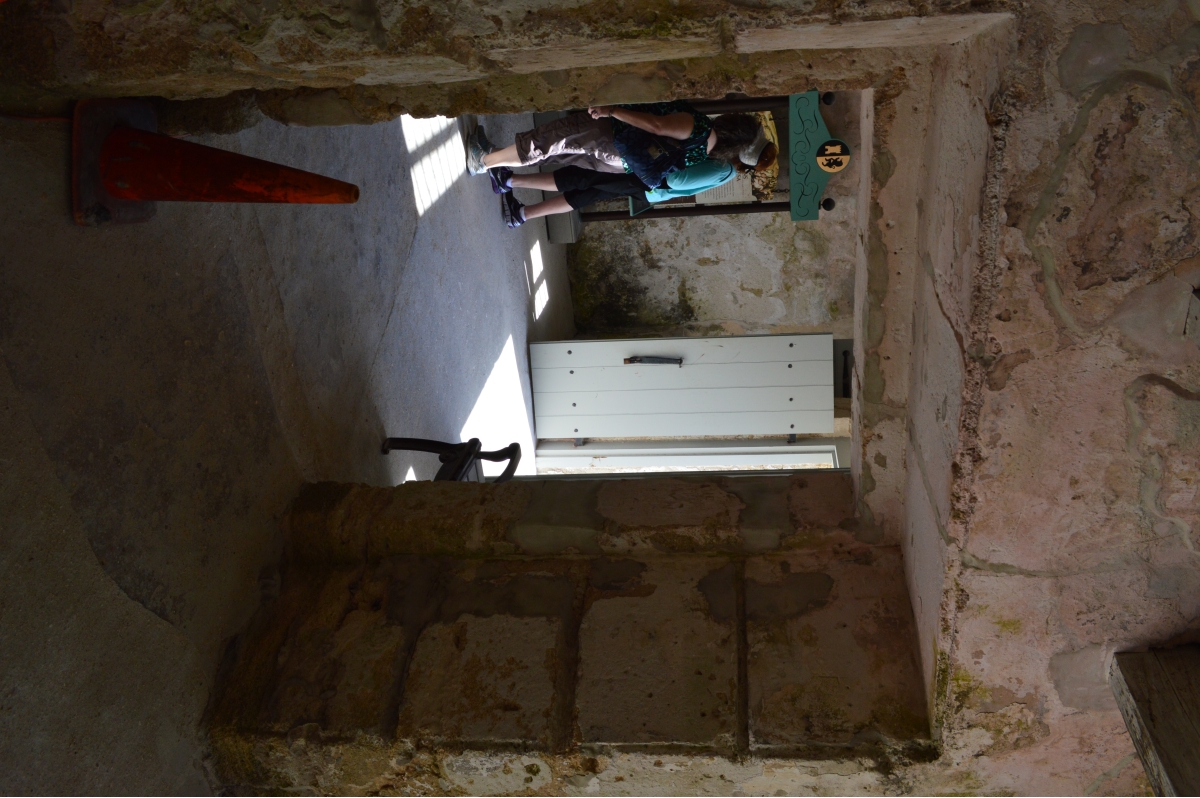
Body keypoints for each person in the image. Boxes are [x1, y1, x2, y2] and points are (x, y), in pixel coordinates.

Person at [466, 102, 773, 201]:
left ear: (732, 122)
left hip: (614, 137)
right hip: (621, 161)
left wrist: (613, 110)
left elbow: (656, 126)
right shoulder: (706, 152)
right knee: (557, 151)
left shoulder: (701, 128)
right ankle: (493, 154)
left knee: (548, 141)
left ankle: (482, 161)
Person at [488, 127, 777, 229]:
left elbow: (678, 181)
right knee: (584, 192)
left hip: (646, 179)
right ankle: (520, 213)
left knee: (580, 178)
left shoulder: (723, 167)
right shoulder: (726, 169)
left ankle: (510, 183)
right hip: (648, 185)